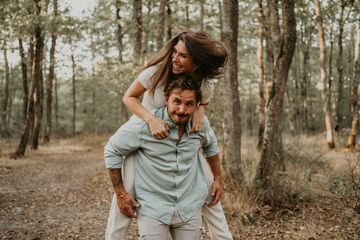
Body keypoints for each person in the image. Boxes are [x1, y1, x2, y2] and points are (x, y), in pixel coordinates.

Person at [105, 30, 233, 240]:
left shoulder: (205, 83)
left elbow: (202, 101)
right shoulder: (157, 71)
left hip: (182, 138)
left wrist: (200, 111)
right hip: (144, 133)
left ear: (197, 62)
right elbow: (129, 97)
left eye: (182, 55)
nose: (175, 58)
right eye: (175, 52)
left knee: (209, 187)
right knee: (125, 194)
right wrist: (151, 119)